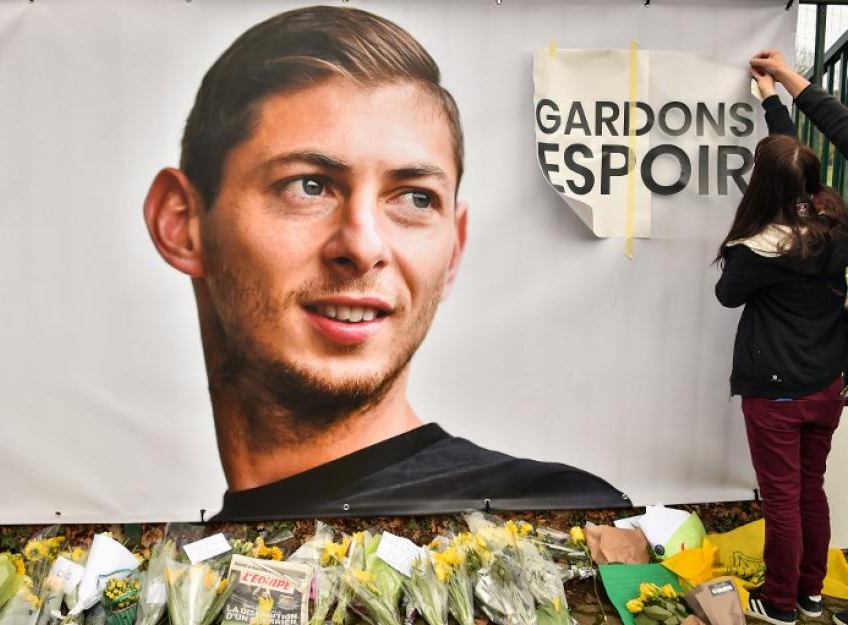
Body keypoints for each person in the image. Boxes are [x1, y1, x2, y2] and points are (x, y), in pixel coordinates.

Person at [142, 5, 628, 521]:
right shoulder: (170, 572)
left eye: (416, 199)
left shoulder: (548, 516)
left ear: (454, 251)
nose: (364, 246)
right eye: (308, 186)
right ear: (182, 222)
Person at [713, 61, 848, 625]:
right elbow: (792, 162)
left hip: (776, 396)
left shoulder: (758, 250)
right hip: (825, 387)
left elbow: (727, 294)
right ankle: (813, 592)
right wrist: (775, 97)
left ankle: (782, 603)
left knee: (783, 499)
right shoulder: (834, 226)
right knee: (810, 491)